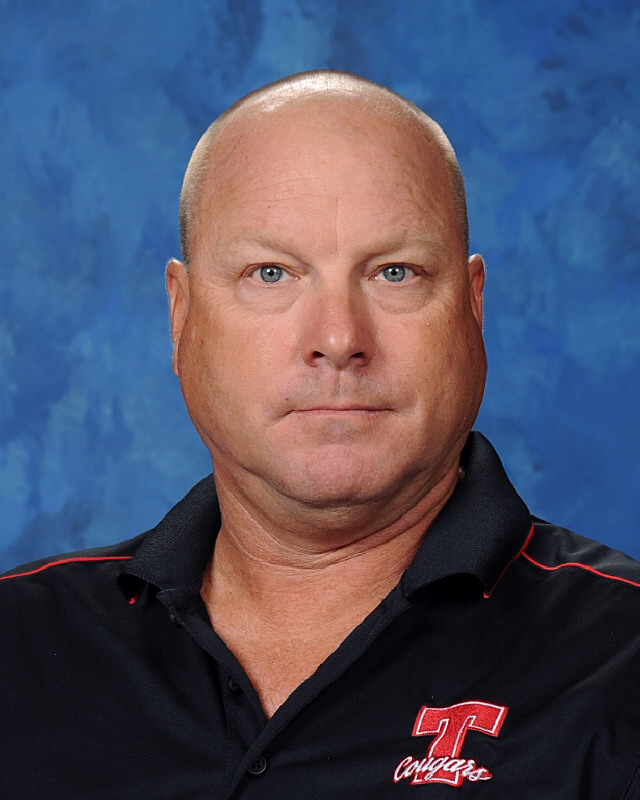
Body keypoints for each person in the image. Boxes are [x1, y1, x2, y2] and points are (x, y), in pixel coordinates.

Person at [1, 71, 639, 799]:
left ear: (472, 306)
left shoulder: (620, 664)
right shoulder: (17, 649)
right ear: (181, 319)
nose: (338, 338)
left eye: (395, 272)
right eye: (270, 273)